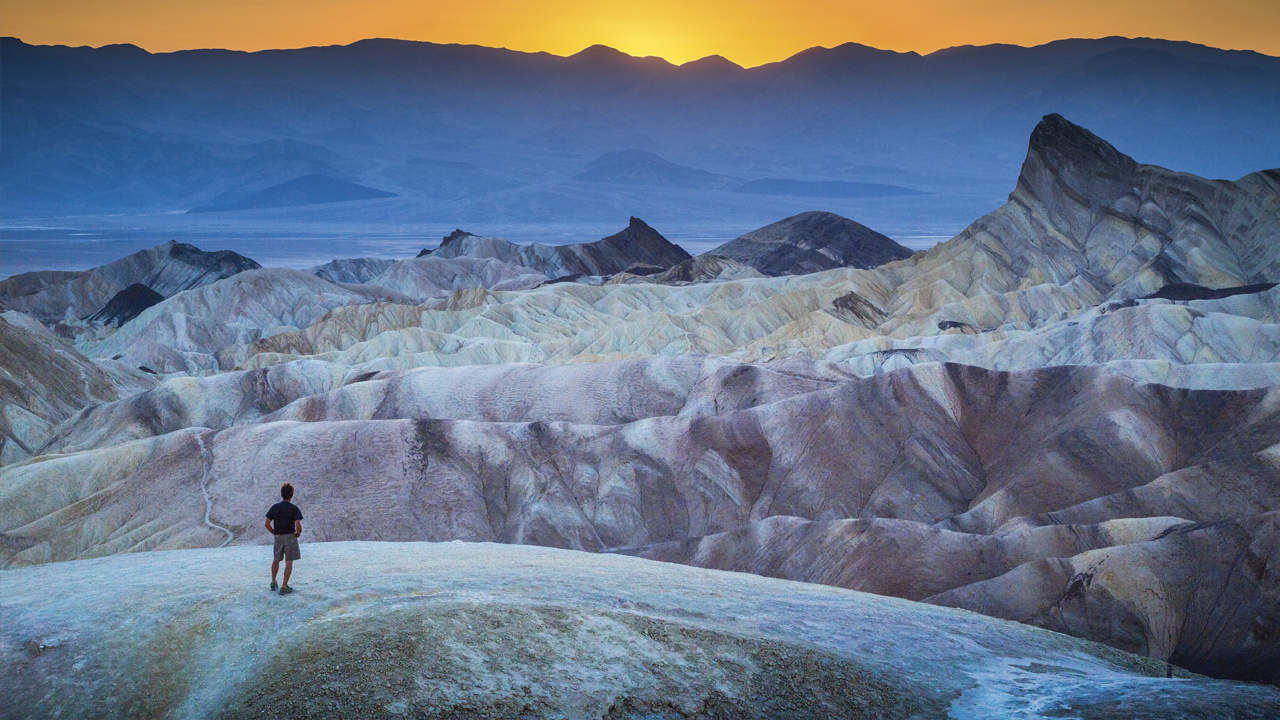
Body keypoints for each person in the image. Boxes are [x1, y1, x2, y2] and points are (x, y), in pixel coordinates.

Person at [265, 483, 303, 595]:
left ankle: (273, 582)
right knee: (289, 561)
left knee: (276, 559)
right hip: (290, 537)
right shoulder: (294, 508)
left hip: (278, 537)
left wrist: (274, 532)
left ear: (282, 494)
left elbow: (267, 523)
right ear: (292, 495)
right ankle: (284, 586)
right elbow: (298, 525)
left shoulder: (275, 507)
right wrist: (298, 533)